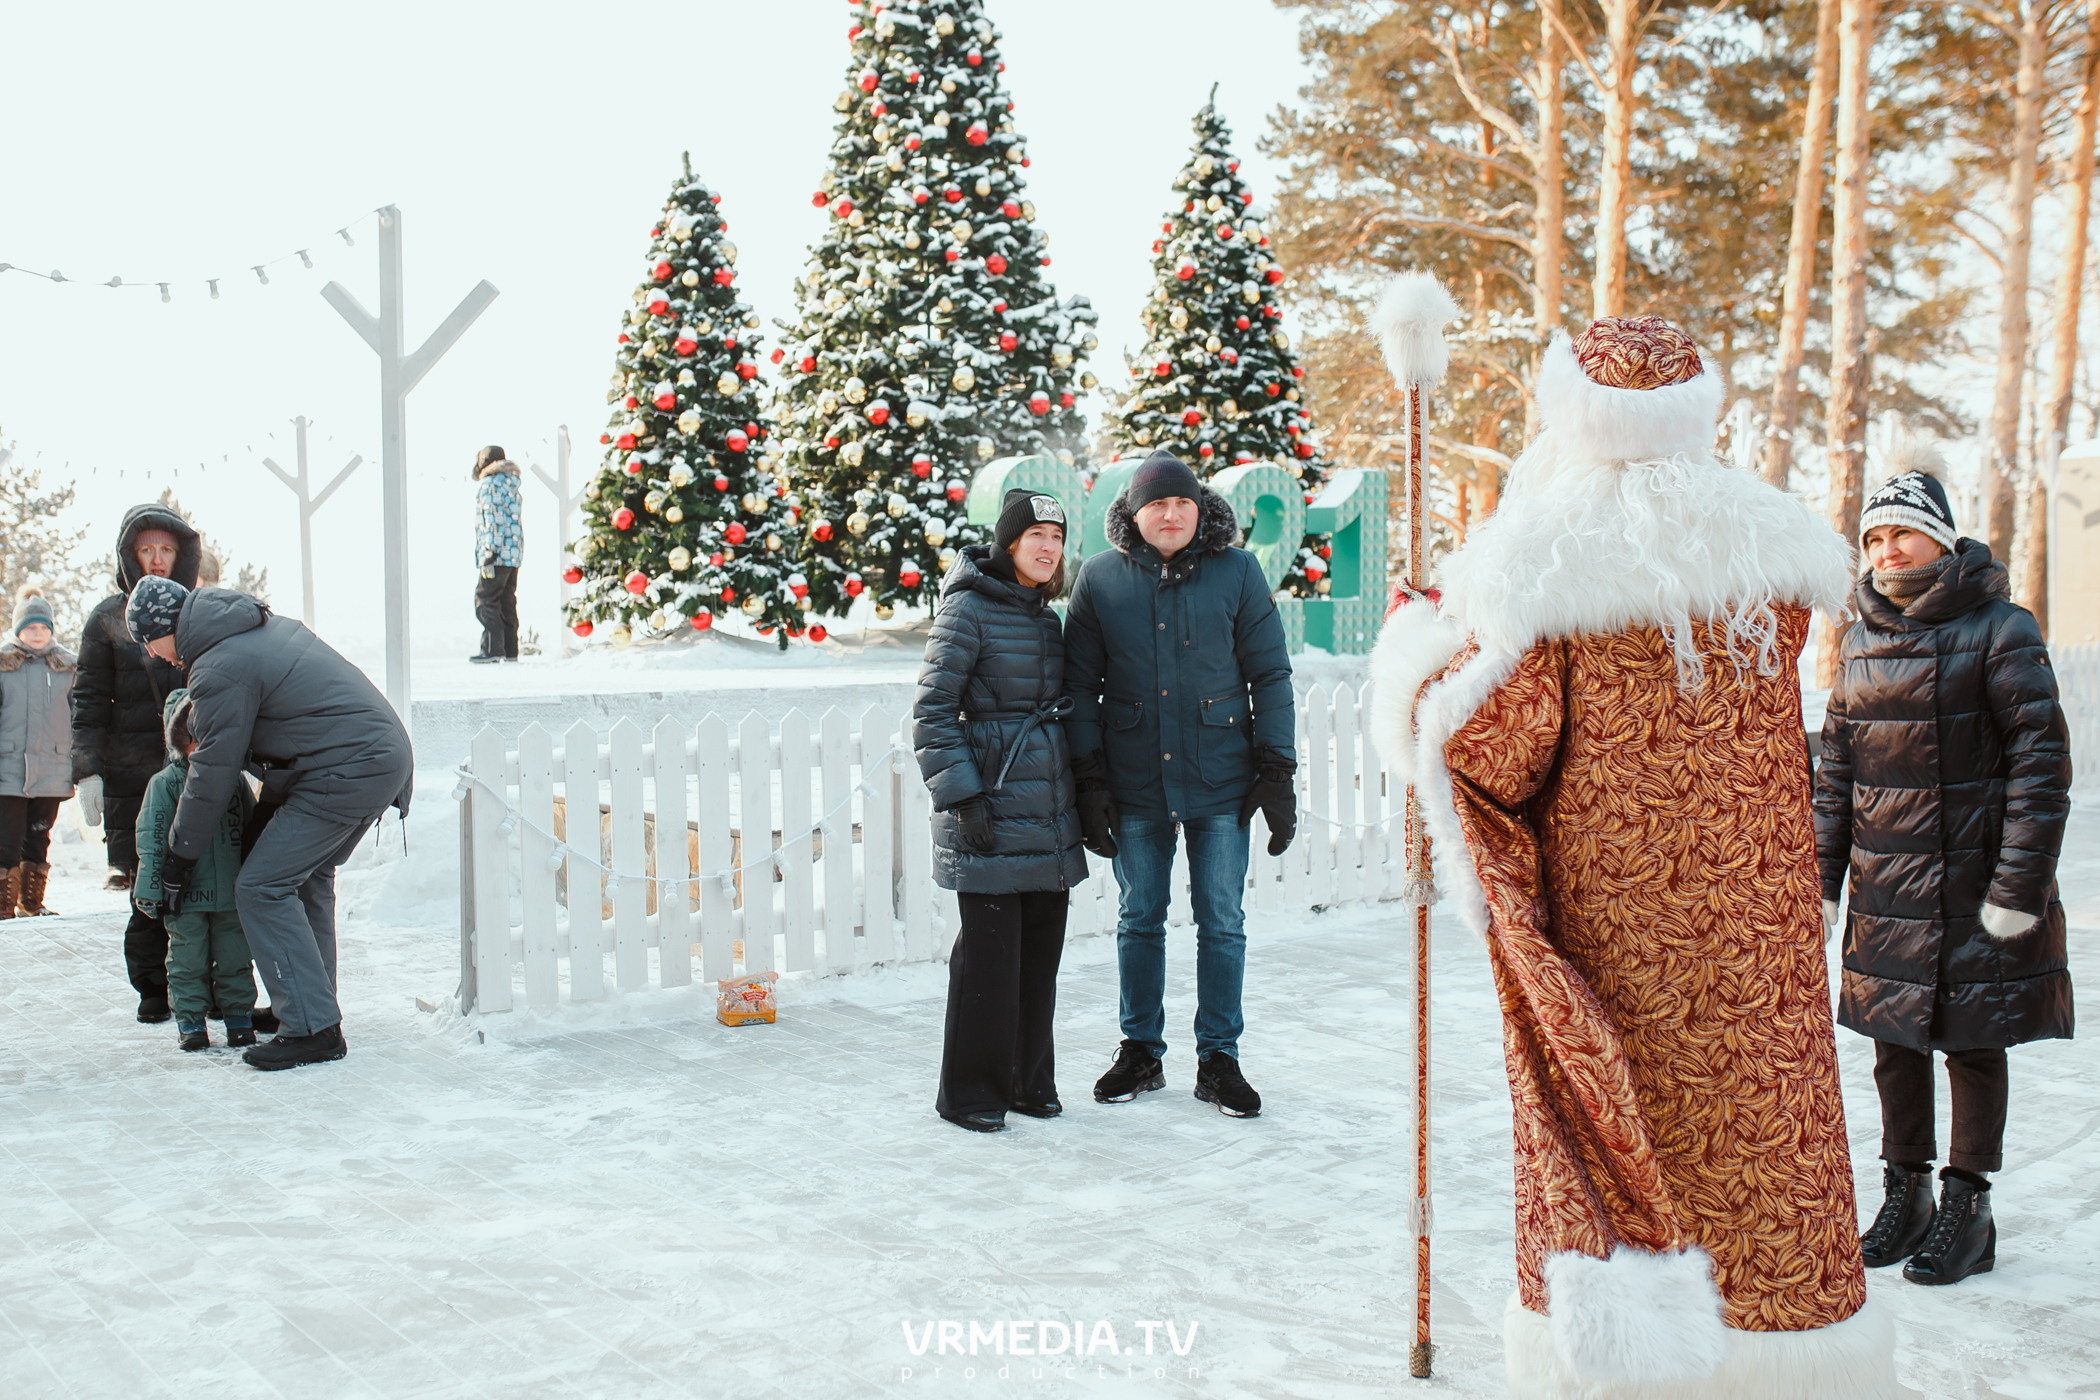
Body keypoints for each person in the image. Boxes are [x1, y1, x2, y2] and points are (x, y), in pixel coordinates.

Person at [1368, 317, 1895, 1393]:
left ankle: (1634, 1357)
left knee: (1630, 1122)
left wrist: (1415, 657)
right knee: (1760, 1138)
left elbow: (1486, 745)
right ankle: (1784, 1352)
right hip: (1756, 933)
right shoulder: (1772, 555)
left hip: (1625, 943)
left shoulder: (1549, 560)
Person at [1814, 462, 2072, 1289]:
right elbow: (1836, 775)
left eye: (1903, 532)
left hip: (1975, 882)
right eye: (1875, 538)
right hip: (1889, 886)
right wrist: (1823, 882)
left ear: (1943, 537)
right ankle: (1907, 1192)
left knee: (1971, 1042)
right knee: (1894, 1043)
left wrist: (2017, 889)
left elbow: (2041, 765)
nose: (1887, 551)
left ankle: (1968, 1207)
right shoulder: (1857, 640)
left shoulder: (2002, 628)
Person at [1063, 450, 1296, 1119]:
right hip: (1133, 782)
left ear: (1201, 510)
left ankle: (1218, 1058)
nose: (1170, 514)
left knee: (1222, 920)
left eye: (1181, 503)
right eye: (1156, 504)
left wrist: (1276, 769)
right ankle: (1141, 1049)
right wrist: (1088, 780)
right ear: (1135, 514)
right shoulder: (1101, 579)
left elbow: (1270, 675)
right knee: (1139, 919)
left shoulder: (1239, 572)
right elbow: (1079, 687)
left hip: (1220, 780)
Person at [124, 576, 414, 1071]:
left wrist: (179, 856)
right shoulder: (252, 630)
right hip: (373, 758)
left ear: (163, 628)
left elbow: (212, 770)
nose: (154, 655)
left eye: (148, 642)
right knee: (306, 879)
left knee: (260, 887)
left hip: (347, 768)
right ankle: (308, 1005)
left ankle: (312, 1026)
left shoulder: (218, 665)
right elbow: (301, 728)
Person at [914, 489, 1088, 1133]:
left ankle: (1026, 1081)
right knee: (989, 958)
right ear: (1008, 541)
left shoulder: (1046, 618)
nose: (1048, 547)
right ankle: (969, 1093)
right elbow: (933, 713)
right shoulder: (967, 611)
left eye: (1058, 537)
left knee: (1040, 953)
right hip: (988, 803)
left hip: (1047, 808)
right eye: (1036, 534)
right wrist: (961, 797)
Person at [71, 504, 199, 1021]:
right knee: (147, 888)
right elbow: (87, 700)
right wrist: (89, 770)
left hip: (197, 770)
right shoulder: (105, 619)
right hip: (132, 778)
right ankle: (153, 988)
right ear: (129, 555)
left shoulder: (198, 612)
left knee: (204, 880)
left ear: (181, 554)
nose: (157, 559)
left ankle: (204, 985)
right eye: (146, 549)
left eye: (166, 549)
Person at [134, 688, 260, 1052]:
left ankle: (238, 1016)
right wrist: (150, 888)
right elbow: (153, 838)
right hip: (184, 896)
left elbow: (250, 828)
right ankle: (190, 1021)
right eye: (192, 738)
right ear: (177, 740)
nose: (200, 746)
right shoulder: (165, 785)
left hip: (230, 893)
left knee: (236, 957)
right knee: (187, 959)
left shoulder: (233, 780)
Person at [0, 586, 76, 918]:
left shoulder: (67, 667)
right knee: (7, 838)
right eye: (31, 627)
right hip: (8, 766)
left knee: (39, 835)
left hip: (52, 768)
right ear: (18, 630)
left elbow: (80, 714)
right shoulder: (4, 664)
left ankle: (31, 900)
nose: (37, 634)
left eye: (43, 627)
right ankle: (4, 901)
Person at [471, 445, 524, 663]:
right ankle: (511, 651)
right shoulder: (513, 485)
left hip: (495, 552)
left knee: (485, 599)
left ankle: (492, 650)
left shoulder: (489, 484)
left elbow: (490, 521)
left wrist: (488, 553)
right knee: (506, 601)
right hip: (513, 554)